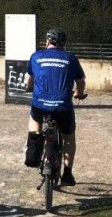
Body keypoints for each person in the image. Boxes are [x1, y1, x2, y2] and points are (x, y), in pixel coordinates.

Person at [23, 27, 86, 186]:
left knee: (34, 119)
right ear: (63, 44)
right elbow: (80, 81)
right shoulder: (71, 58)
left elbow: (28, 80)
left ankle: (33, 152)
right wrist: (79, 93)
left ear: (48, 41)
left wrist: (28, 87)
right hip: (63, 107)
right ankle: (68, 174)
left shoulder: (36, 56)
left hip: (40, 104)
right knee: (68, 137)